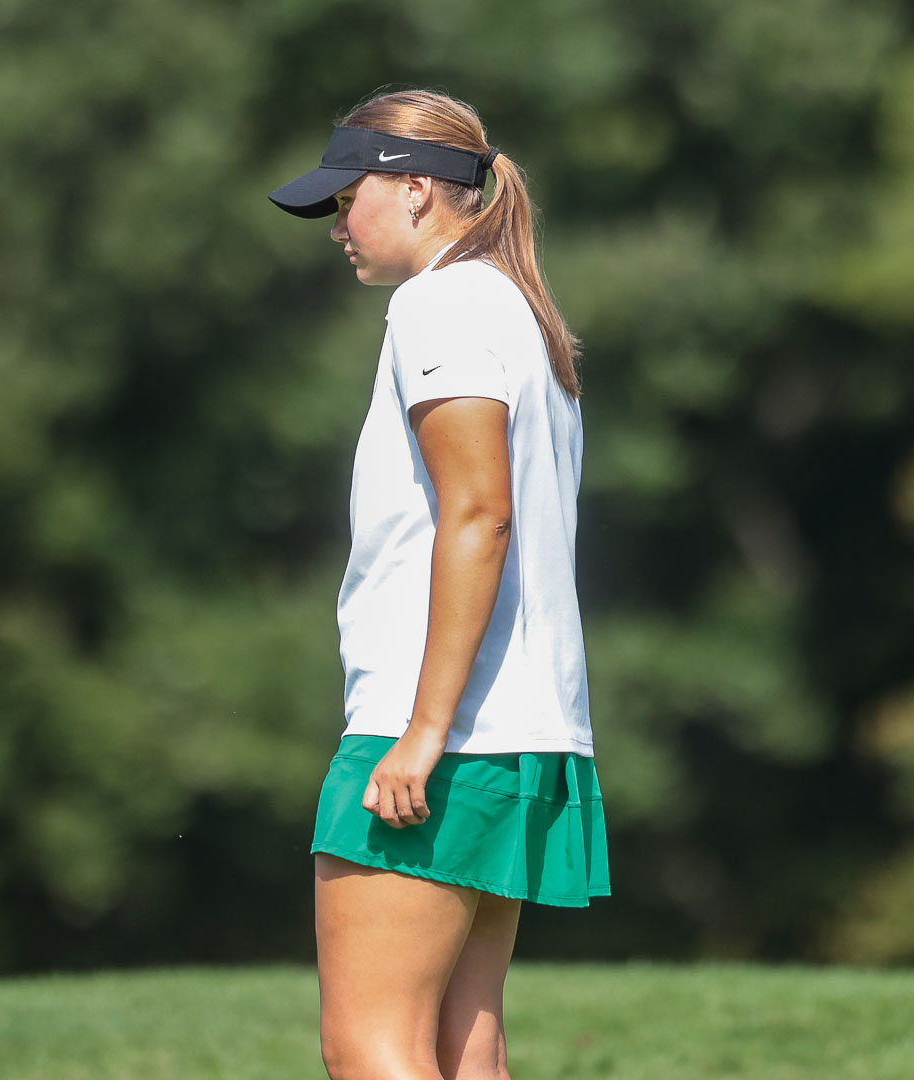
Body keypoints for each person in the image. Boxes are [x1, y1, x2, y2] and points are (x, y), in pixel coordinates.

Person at [269, 89, 610, 1080]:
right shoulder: (513, 309)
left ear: (416, 189)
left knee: (370, 1048)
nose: (338, 225)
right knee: (466, 1050)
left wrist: (422, 732)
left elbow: (479, 514)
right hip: (516, 735)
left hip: (439, 736)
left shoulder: (440, 305)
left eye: (349, 199)